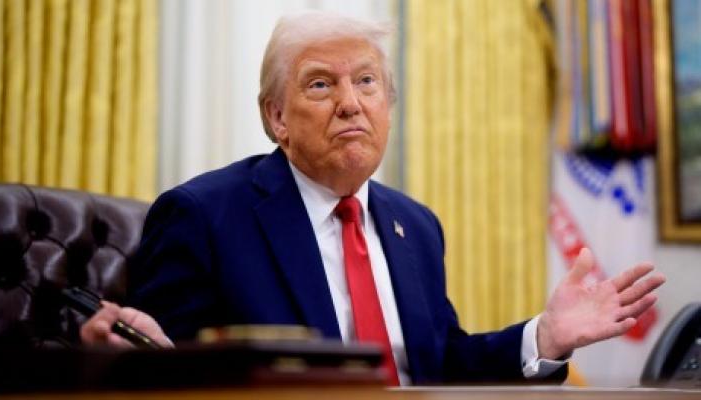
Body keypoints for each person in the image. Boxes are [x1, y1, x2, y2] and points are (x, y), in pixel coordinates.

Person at [81, 12, 665, 385]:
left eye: (366, 82)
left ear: (388, 105)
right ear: (276, 117)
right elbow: (159, 363)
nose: (350, 103)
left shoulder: (417, 225)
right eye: (320, 84)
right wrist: (124, 357)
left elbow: (442, 364)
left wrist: (545, 337)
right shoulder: (204, 215)